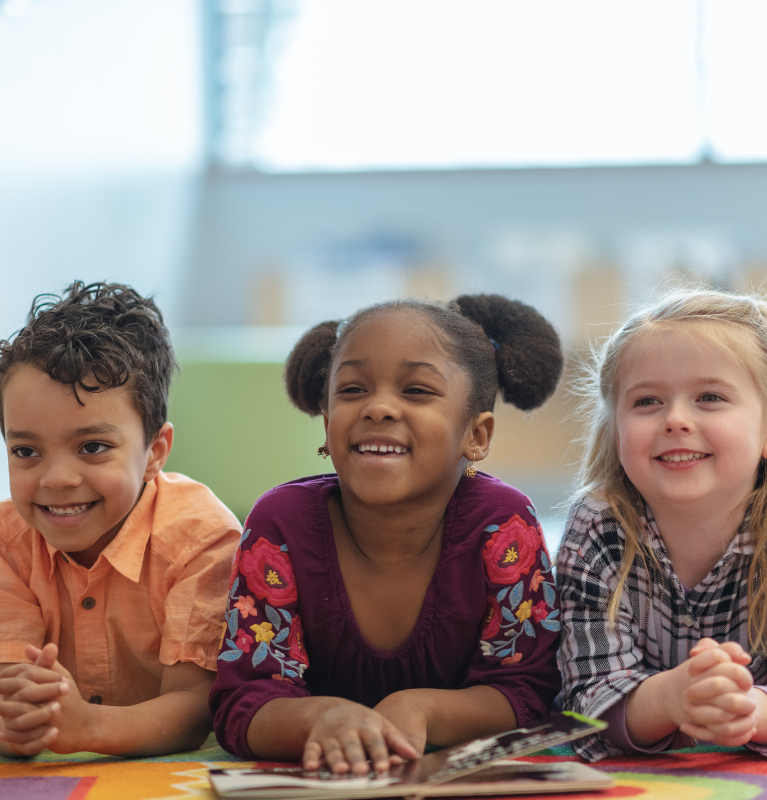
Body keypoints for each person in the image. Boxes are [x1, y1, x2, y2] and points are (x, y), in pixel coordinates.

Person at [209, 294, 565, 774]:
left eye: (416, 391)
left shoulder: (503, 526)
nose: (378, 407)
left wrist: (423, 710)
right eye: (353, 390)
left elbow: (529, 692)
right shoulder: (280, 525)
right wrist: (320, 719)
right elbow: (242, 705)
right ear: (326, 417)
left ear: (476, 436)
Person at [557, 288, 767, 762]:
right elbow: (586, 695)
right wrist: (670, 700)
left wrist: (751, 710)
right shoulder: (598, 528)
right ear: (616, 425)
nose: (676, 419)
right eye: (646, 401)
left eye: (709, 397)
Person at [0, 281, 242, 758]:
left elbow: (195, 707)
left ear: (155, 452)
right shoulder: (0, 543)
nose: (57, 479)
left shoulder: (201, 539)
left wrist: (89, 727)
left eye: (92, 447)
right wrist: (19, 721)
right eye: (26, 451)